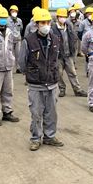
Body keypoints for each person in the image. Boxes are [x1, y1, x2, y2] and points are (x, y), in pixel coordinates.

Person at [19, 8, 64, 151]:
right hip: (36, 84)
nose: (45, 25)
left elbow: (57, 58)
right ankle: (36, 138)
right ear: (36, 24)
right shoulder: (28, 41)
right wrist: (32, 74)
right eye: (42, 23)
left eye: (47, 22)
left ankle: (49, 137)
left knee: (51, 113)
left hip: (52, 83)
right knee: (36, 113)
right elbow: (22, 62)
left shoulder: (55, 39)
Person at [51, 8, 86, 97]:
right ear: (57, 17)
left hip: (68, 54)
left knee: (73, 73)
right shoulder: (53, 29)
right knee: (59, 74)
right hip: (58, 56)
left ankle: (77, 90)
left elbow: (73, 37)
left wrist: (73, 51)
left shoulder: (69, 26)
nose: (63, 18)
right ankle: (62, 89)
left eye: (64, 16)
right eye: (61, 17)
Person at [7, 5, 24, 72]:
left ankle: (18, 68)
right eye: (13, 11)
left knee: (18, 54)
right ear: (10, 12)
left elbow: (21, 29)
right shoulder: (7, 20)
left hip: (18, 40)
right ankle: (10, 67)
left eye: (15, 11)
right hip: (10, 39)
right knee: (10, 54)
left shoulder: (19, 20)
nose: (14, 12)